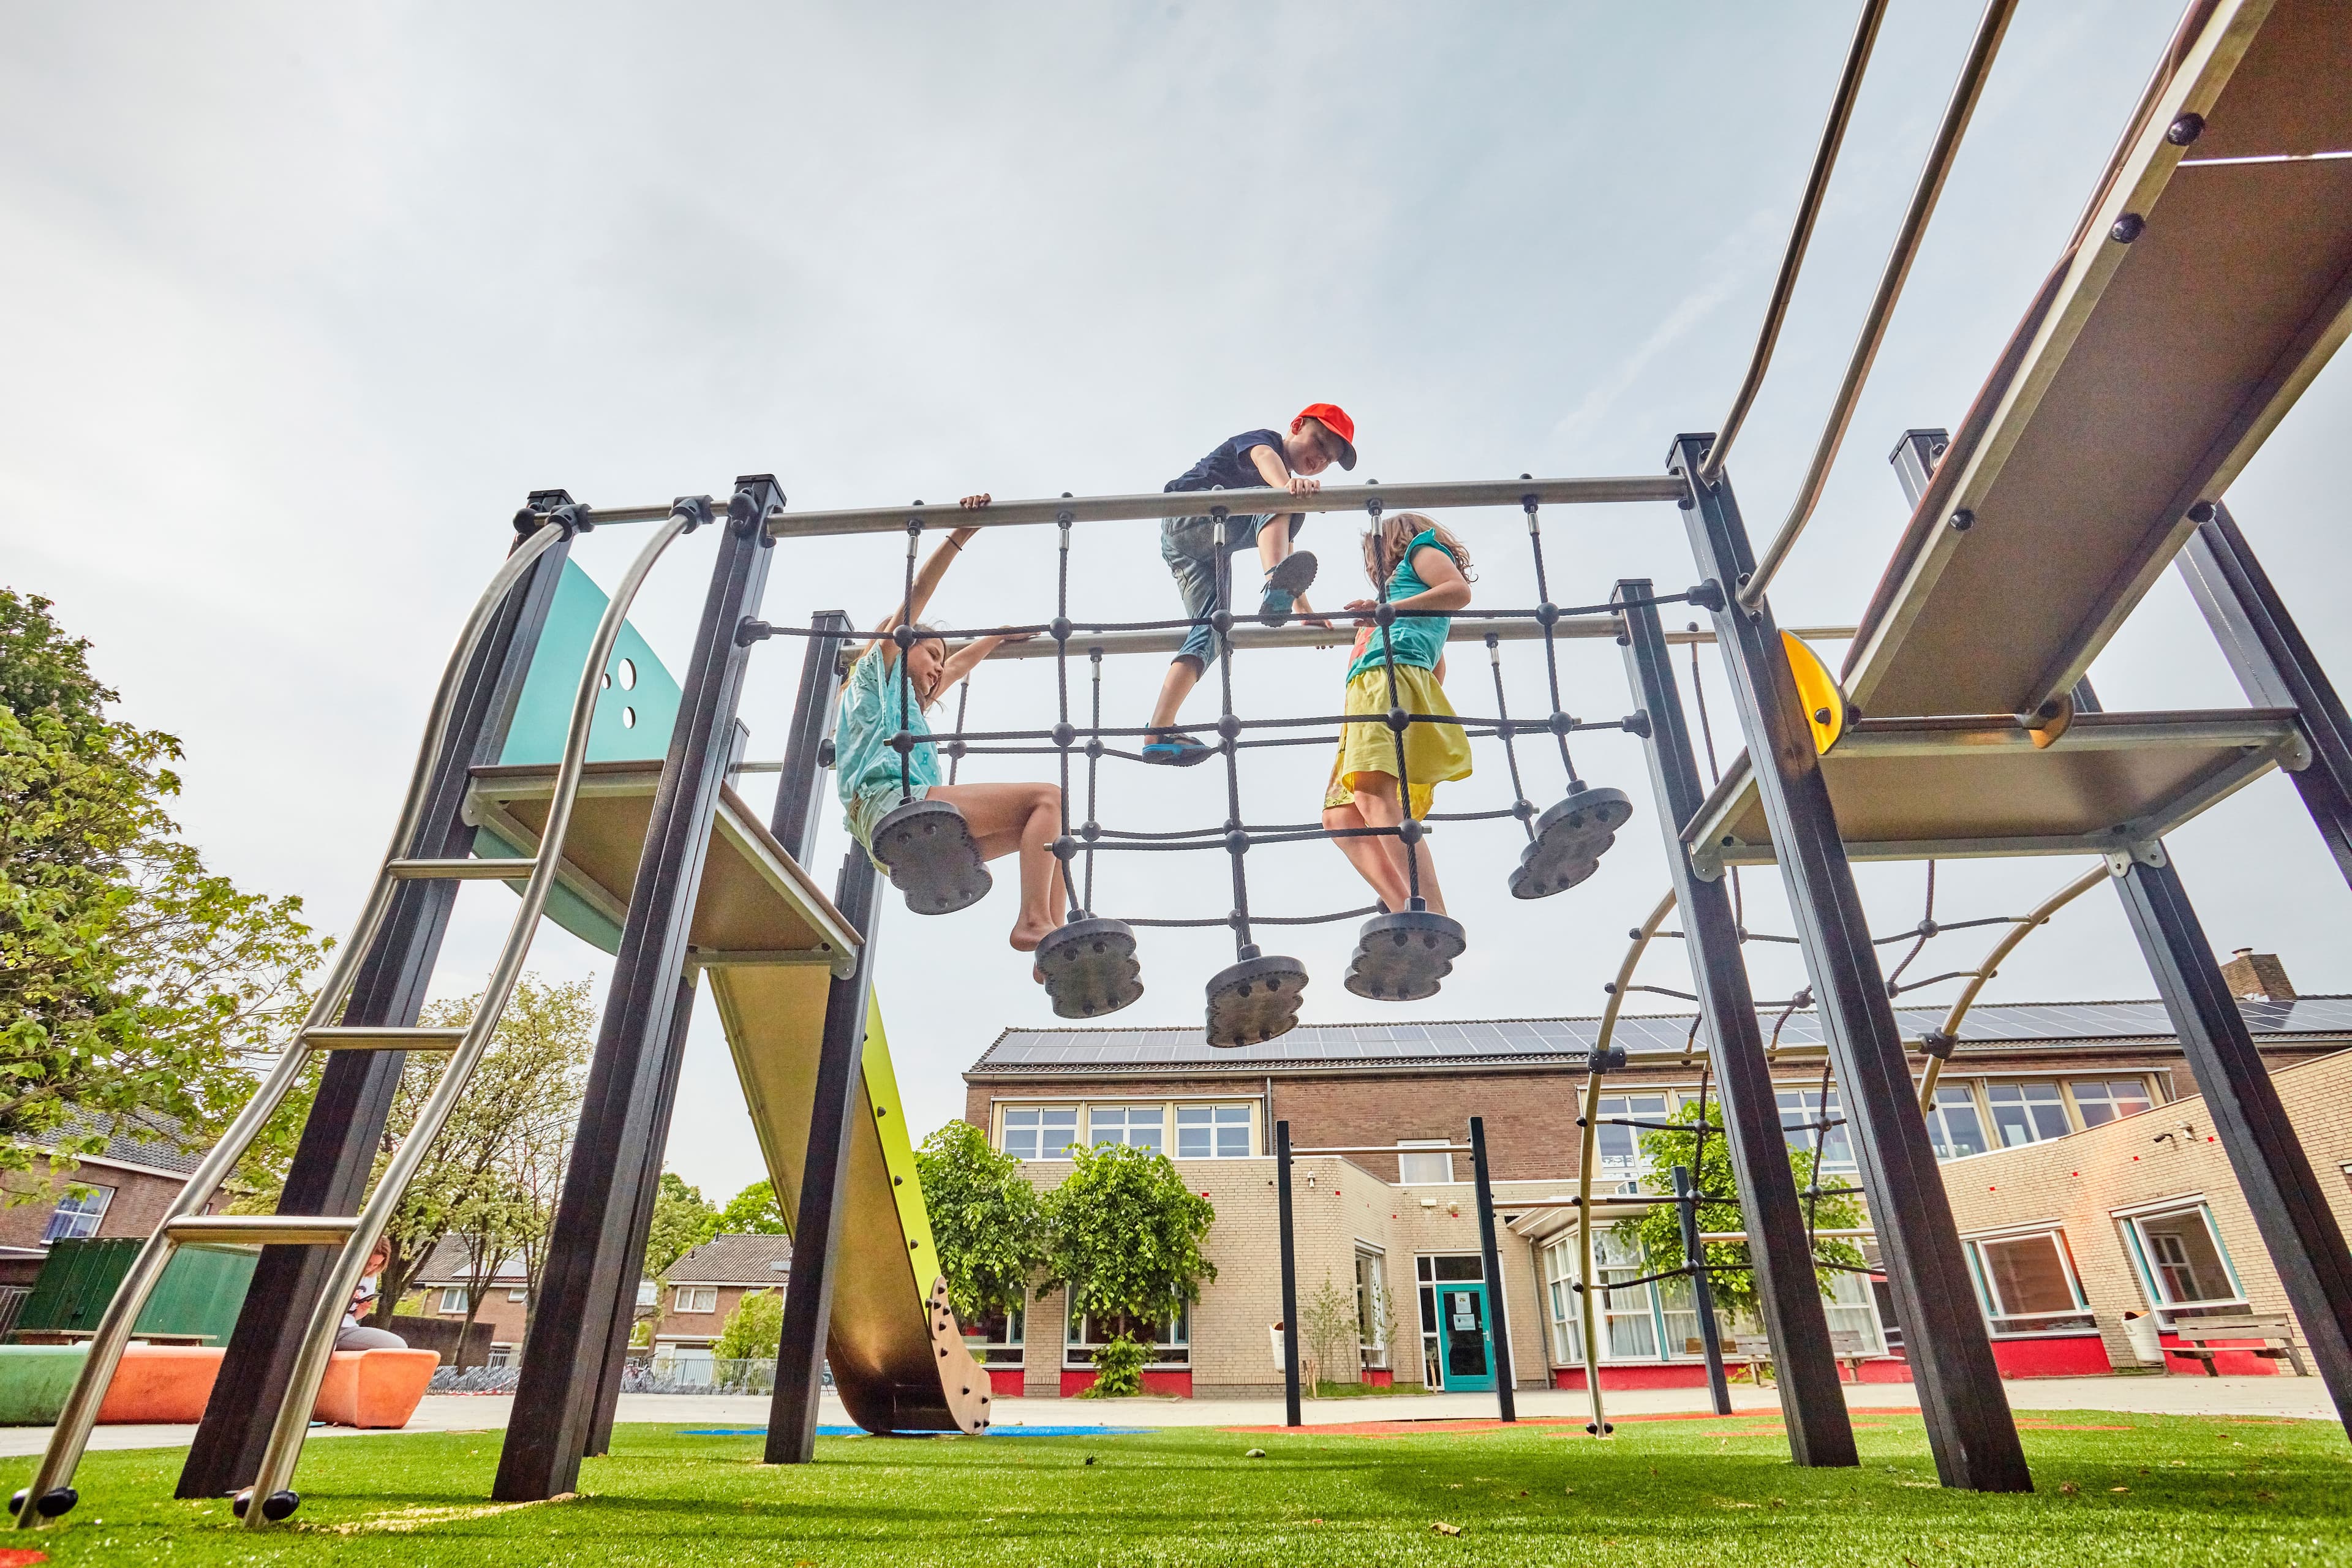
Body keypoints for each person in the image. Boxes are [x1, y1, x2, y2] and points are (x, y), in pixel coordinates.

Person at [835, 496, 1066, 952]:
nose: (940, 667)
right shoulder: (872, 680)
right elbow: (915, 596)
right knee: (1048, 797)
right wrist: (961, 534)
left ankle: (1052, 939)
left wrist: (995, 638)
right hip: (894, 811)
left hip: (912, 836)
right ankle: (1035, 920)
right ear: (900, 646)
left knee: (1053, 822)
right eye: (932, 654)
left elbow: (959, 669)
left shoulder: (911, 710)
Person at [1142, 404, 1358, 766]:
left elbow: (1283, 545)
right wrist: (1285, 486)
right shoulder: (1263, 442)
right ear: (1297, 425)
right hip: (1189, 515)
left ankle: (1158, 731)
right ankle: (1274, 583)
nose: (1319, 459)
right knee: (1278, 503)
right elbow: (1264, 460)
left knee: (1212, 631)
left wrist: (1305, 610)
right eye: (1319, 443)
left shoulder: (1278, 495)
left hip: (1201, 548)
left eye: (1329, 459)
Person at [1321, 511, 1474, 915]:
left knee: (1373, 795)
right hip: (1365, 692)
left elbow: (1457, 592)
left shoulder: (1420, 551)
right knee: (1340, 816)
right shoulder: (1393, 599)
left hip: (1387, 677)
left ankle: (1433, 913)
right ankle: (1407, 911)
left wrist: (1387, 610)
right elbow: (1437, 664)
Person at [336, 1241, 408, 1351]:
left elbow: (355, 1317)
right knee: (328, 1348)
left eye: (376, 1265)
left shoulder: (371, 1277)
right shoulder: (338, 1271)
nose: (370, 1269)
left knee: (398, 1346)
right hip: (328, 1328)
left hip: (348, 1328)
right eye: (369, 1263)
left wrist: (361, 1312)